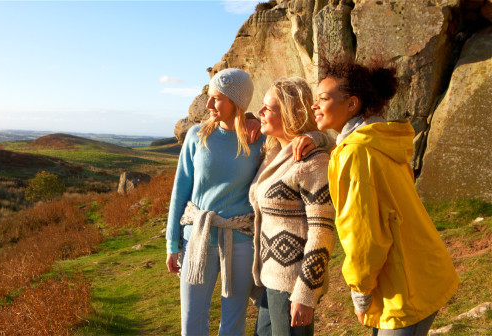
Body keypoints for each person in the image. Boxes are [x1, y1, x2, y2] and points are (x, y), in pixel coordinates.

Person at [165, 68, 331, 336]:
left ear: (237, 102)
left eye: (217, 98)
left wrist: (314, 137)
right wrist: (172, 243)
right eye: (210, 96)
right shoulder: (197, 136)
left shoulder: (261, 139)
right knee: (191, 320)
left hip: (241, 239)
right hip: (197, 236)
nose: (209, 104)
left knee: (233, 321)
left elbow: (297, 135)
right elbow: (179, 191)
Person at [311, 58, 459, 336]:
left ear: (352, 104)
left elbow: (363, 234)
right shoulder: (381, 140)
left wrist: (360, 292)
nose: (314, 106)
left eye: (323, 98)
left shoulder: (355, 153)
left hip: (404, 287)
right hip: (421, 269)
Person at [249, 77, 336, 336]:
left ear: (290, 113)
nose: (260, 113)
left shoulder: (312, 160)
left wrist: (305, 293)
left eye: (268, 108)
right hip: (270, 278)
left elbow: (322, 232)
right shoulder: (274, 152)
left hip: (292, 283)